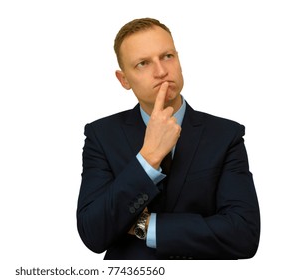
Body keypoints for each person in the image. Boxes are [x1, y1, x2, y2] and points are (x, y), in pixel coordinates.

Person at [76, 18, 260, 260]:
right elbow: (93, 233)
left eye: (167, 56)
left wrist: (146, 227)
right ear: (124, 80)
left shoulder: (227, 135)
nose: (162, 71)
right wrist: (148, 157)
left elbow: (244, 235)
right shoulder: (101, 135)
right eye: (143, 63)